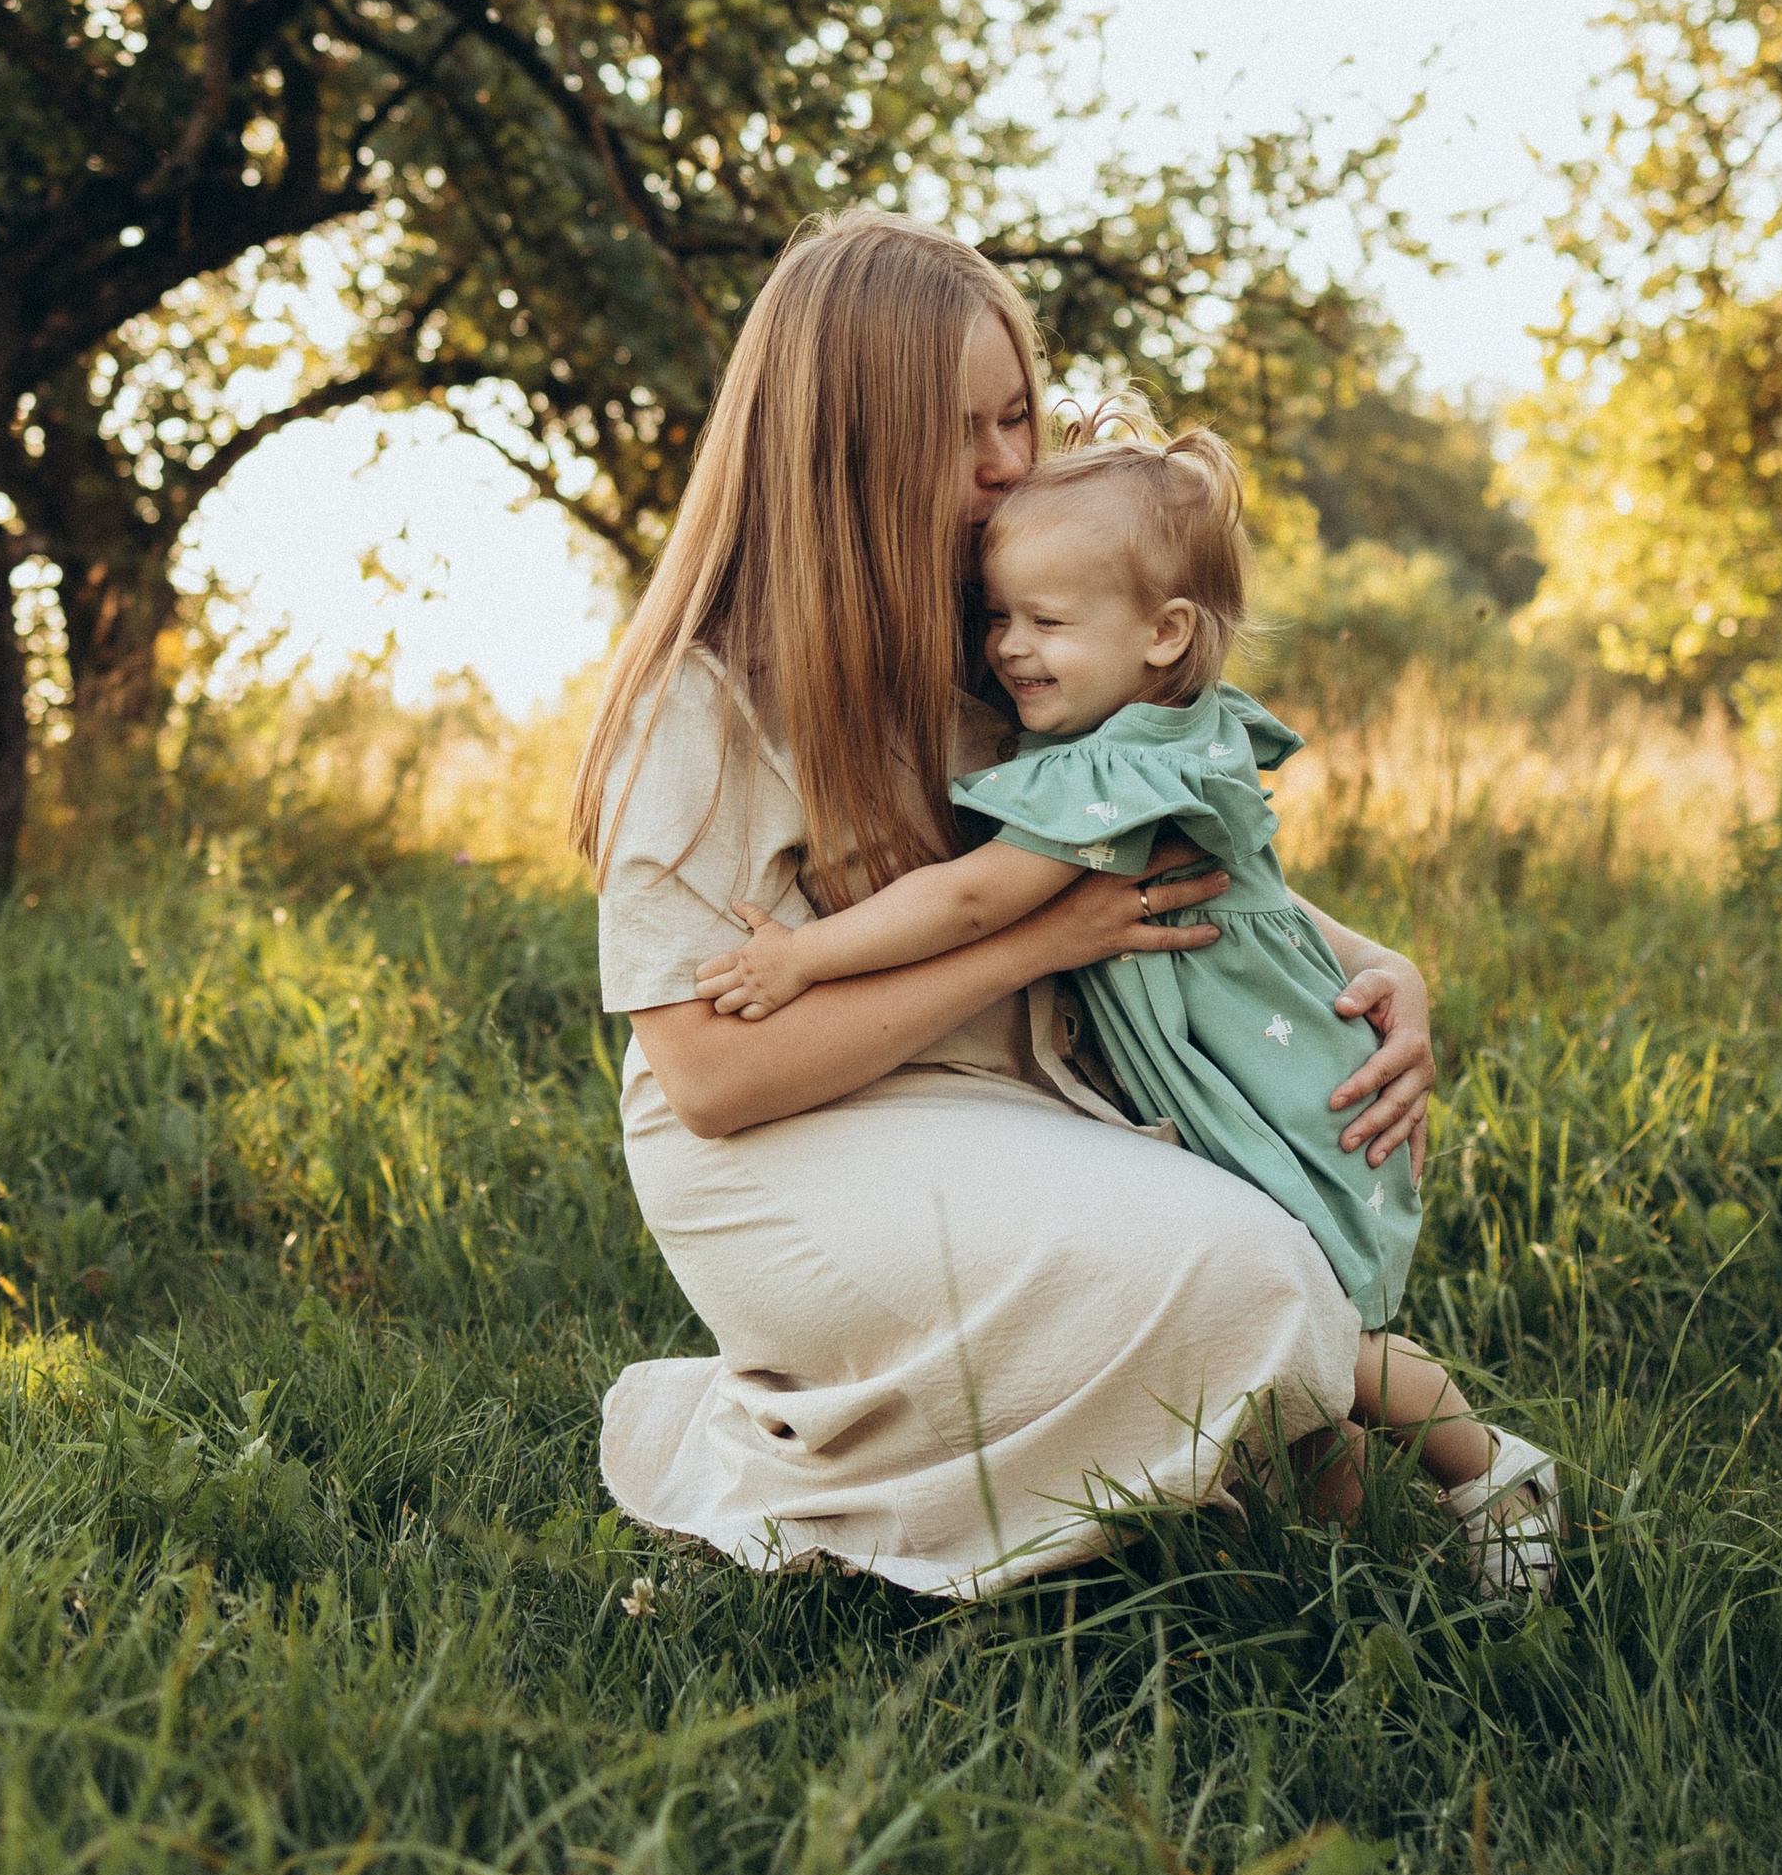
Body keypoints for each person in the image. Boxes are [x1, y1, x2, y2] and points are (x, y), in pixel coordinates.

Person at [569, 207, 1555, 1595]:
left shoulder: (1010, 638)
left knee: (1264, 1281)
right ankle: (845, 1463)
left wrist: (1372, 956)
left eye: (1016, 415)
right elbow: (716, 1082)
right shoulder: (707, 699)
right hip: (782, 1153)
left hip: (1014, 1104)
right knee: (1243, 1275)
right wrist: (1035, 945)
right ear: (843, 445)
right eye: (955, 432)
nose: (1005, 465)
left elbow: (1132, 847)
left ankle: (1298, 1522)